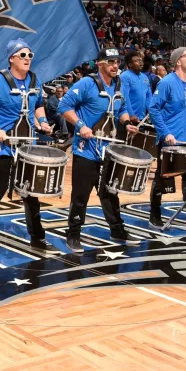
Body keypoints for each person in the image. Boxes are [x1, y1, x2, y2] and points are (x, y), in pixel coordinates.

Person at [0, 40, 54, 264]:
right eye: (22, 54)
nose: (27, 58)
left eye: (30, 54)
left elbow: (38, 104)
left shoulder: (35, 81)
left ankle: (38, 238)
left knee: (31, 195)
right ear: (11, 58)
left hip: (27, 149)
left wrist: (43, 122)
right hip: (3, 148)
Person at [58, 47, 140, 251]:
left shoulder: (119, 84)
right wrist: (81, 126)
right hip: (86, 149)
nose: (115, 66)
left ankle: (117, 230)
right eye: (111, 62)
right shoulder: (87, 83)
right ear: (100, 64)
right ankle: (73, 233)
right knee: (81, 195)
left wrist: (127, 123)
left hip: (108, 149)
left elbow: (121, 109)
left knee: (110, 192)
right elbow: (64, 106)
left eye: (117, 62)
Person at [147, 47, 186, 228]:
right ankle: (154, 213)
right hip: (169, 139)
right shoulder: (167, 82)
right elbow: (153, 108)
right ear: (178, 61)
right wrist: (165, 133)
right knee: (163, 176)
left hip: (185, 138)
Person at [119, 50, 151, 138]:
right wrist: (130, 114)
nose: (141, 63)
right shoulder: (125, 76)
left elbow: (148, 95)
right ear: (130, 64)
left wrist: (150, 110)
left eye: (141, 60)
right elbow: (125, 97)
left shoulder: (145, 77)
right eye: (137, 61)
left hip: (142, 118)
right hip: (128, 118)